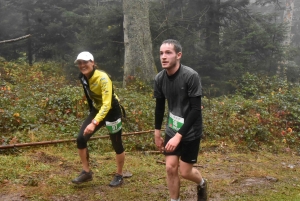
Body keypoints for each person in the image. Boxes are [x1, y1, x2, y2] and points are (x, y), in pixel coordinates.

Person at [153, 39, 208, 201]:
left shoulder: (190, 76)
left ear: (178, 55)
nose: (163, 57)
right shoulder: (159, 78)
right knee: (170, 167)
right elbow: (159, 107)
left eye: (168, 53)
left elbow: (196, 110)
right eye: (161, 53)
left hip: (190, 130)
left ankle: (202, 182)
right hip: (172, 128)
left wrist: (179, 136)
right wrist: (157, 132)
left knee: (185, 172)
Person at [72, 51, 125, 187]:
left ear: (93, 63)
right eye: (80, 63)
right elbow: (90, 97)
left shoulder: (103, 78)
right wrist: (92, 115)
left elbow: (107, 104)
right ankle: (86, 172)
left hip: (112, 110)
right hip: (97, 110)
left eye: (85, 62)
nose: (82, 65)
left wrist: (94, 122)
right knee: (81, 138)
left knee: (116, 144)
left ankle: (119, 175)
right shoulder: (83, 77)